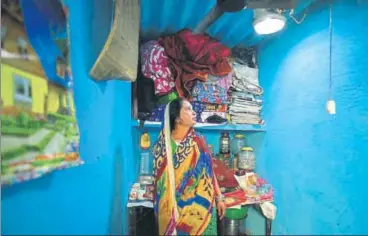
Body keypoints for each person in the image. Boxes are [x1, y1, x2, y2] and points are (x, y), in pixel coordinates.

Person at [153, 98, 227, 235]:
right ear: (177, 118)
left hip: (202, 211)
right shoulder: (163, 147)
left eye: (193, 109)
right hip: (173, 212)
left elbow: (210, 173)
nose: (193, 113)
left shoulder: (199, 141)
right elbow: (161, 187)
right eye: (188, 109)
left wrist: (220, 197)